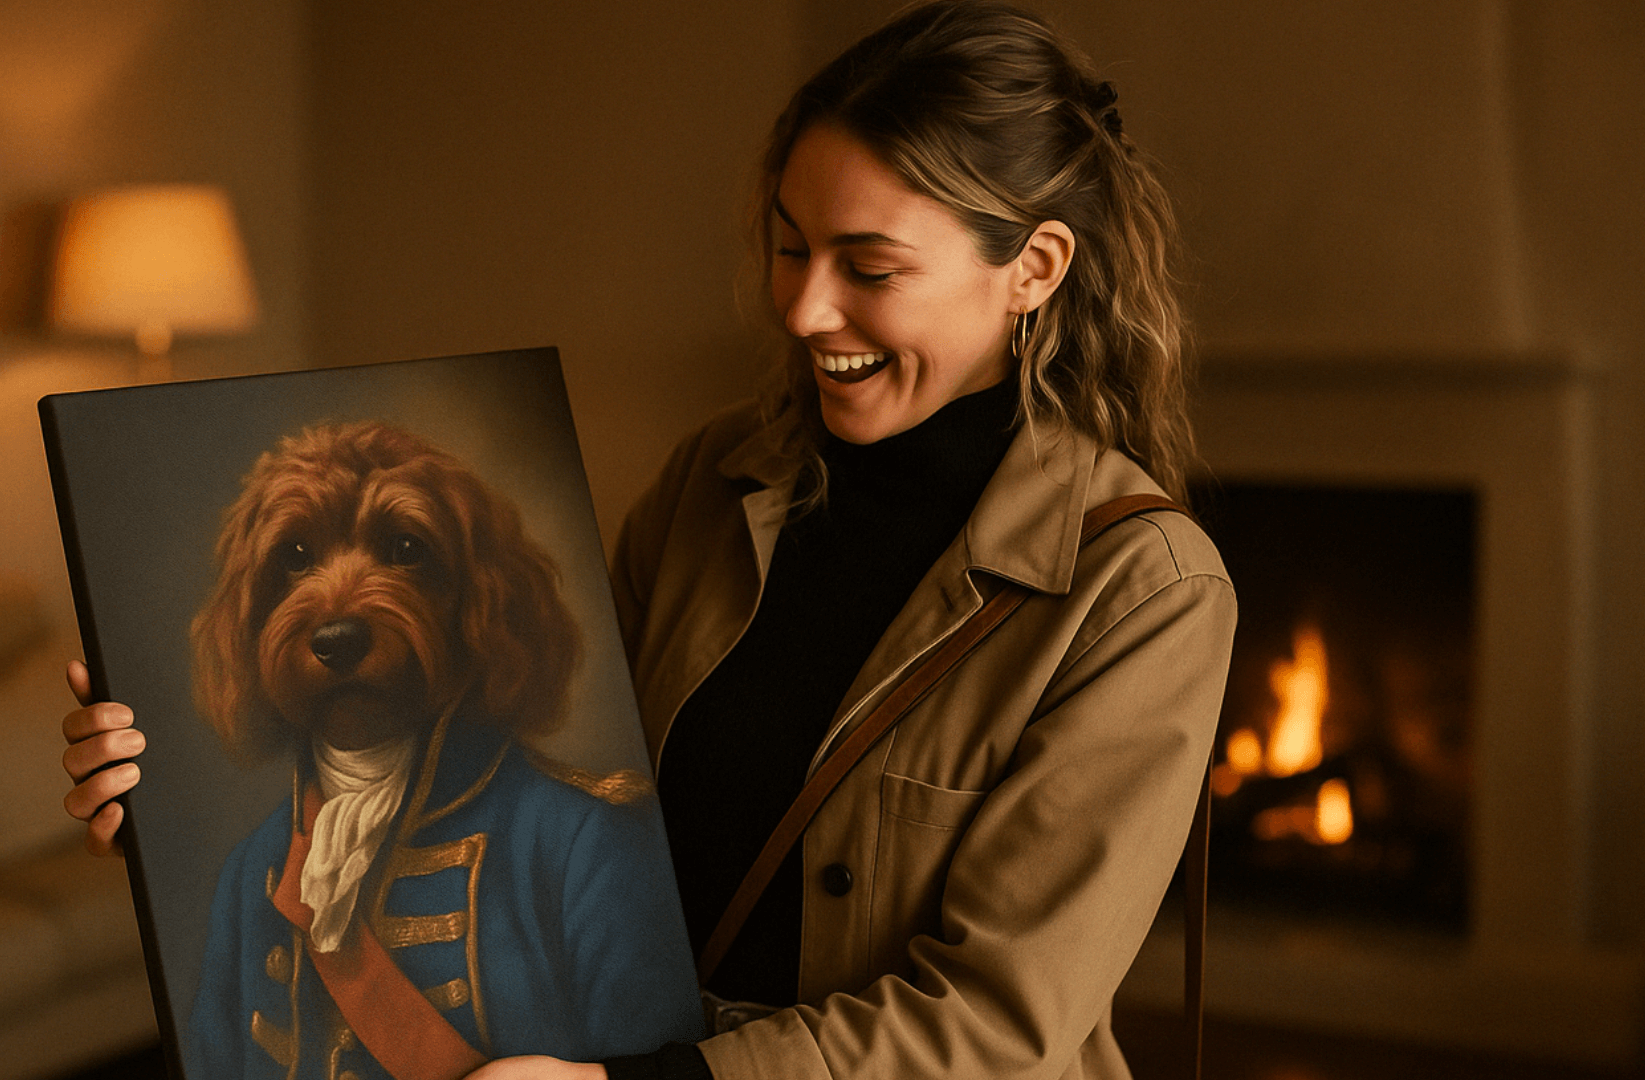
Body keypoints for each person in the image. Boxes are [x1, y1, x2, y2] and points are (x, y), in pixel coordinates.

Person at [62, 3, 1235, 1078]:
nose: (804, 309)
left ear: (1033, 268)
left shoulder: (1146, 593)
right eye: (791, 246)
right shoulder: (709, 485)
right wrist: (169, 813)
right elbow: (509, 781)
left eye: (868, 268)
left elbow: (997, 1021)